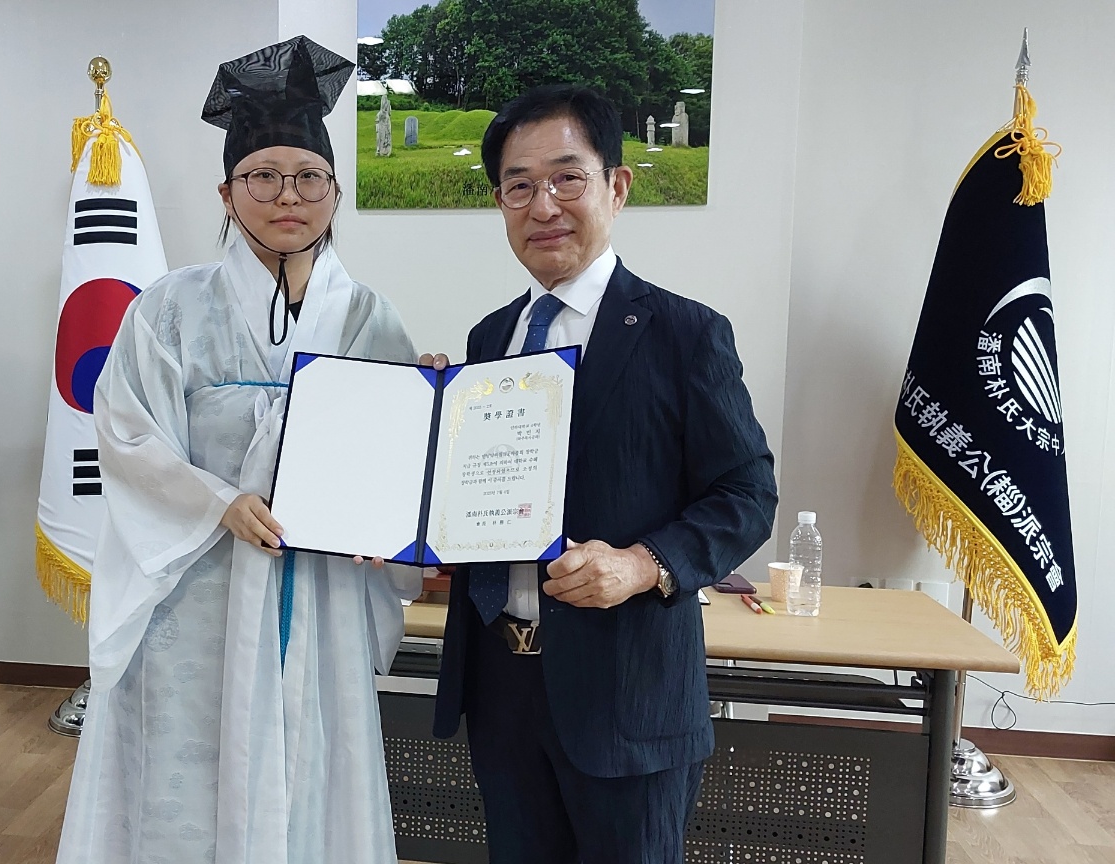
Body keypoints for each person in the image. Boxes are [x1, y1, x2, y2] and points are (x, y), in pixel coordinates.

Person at [55, 36, 421, 864]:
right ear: (226, 192)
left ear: (335, 191)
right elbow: (128, 434)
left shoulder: (370, 318)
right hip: (196, 590)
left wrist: (418, 423)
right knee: (185, 772)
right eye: (263, 176)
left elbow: (394, 462)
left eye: (309, 177)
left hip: (320, 593)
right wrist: (220, 504)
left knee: (312, 766)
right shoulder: (169, 308)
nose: (288, 195)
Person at [427, 85, 778, 863]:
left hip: (628, 696)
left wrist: (643, 563)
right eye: (519, 185)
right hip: (500, 687)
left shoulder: (685, 333)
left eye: (567, 178)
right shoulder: (488, 340)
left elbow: (748, 493)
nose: (543, 205)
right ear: (500, 203)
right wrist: (421, 430)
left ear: (616, 187)